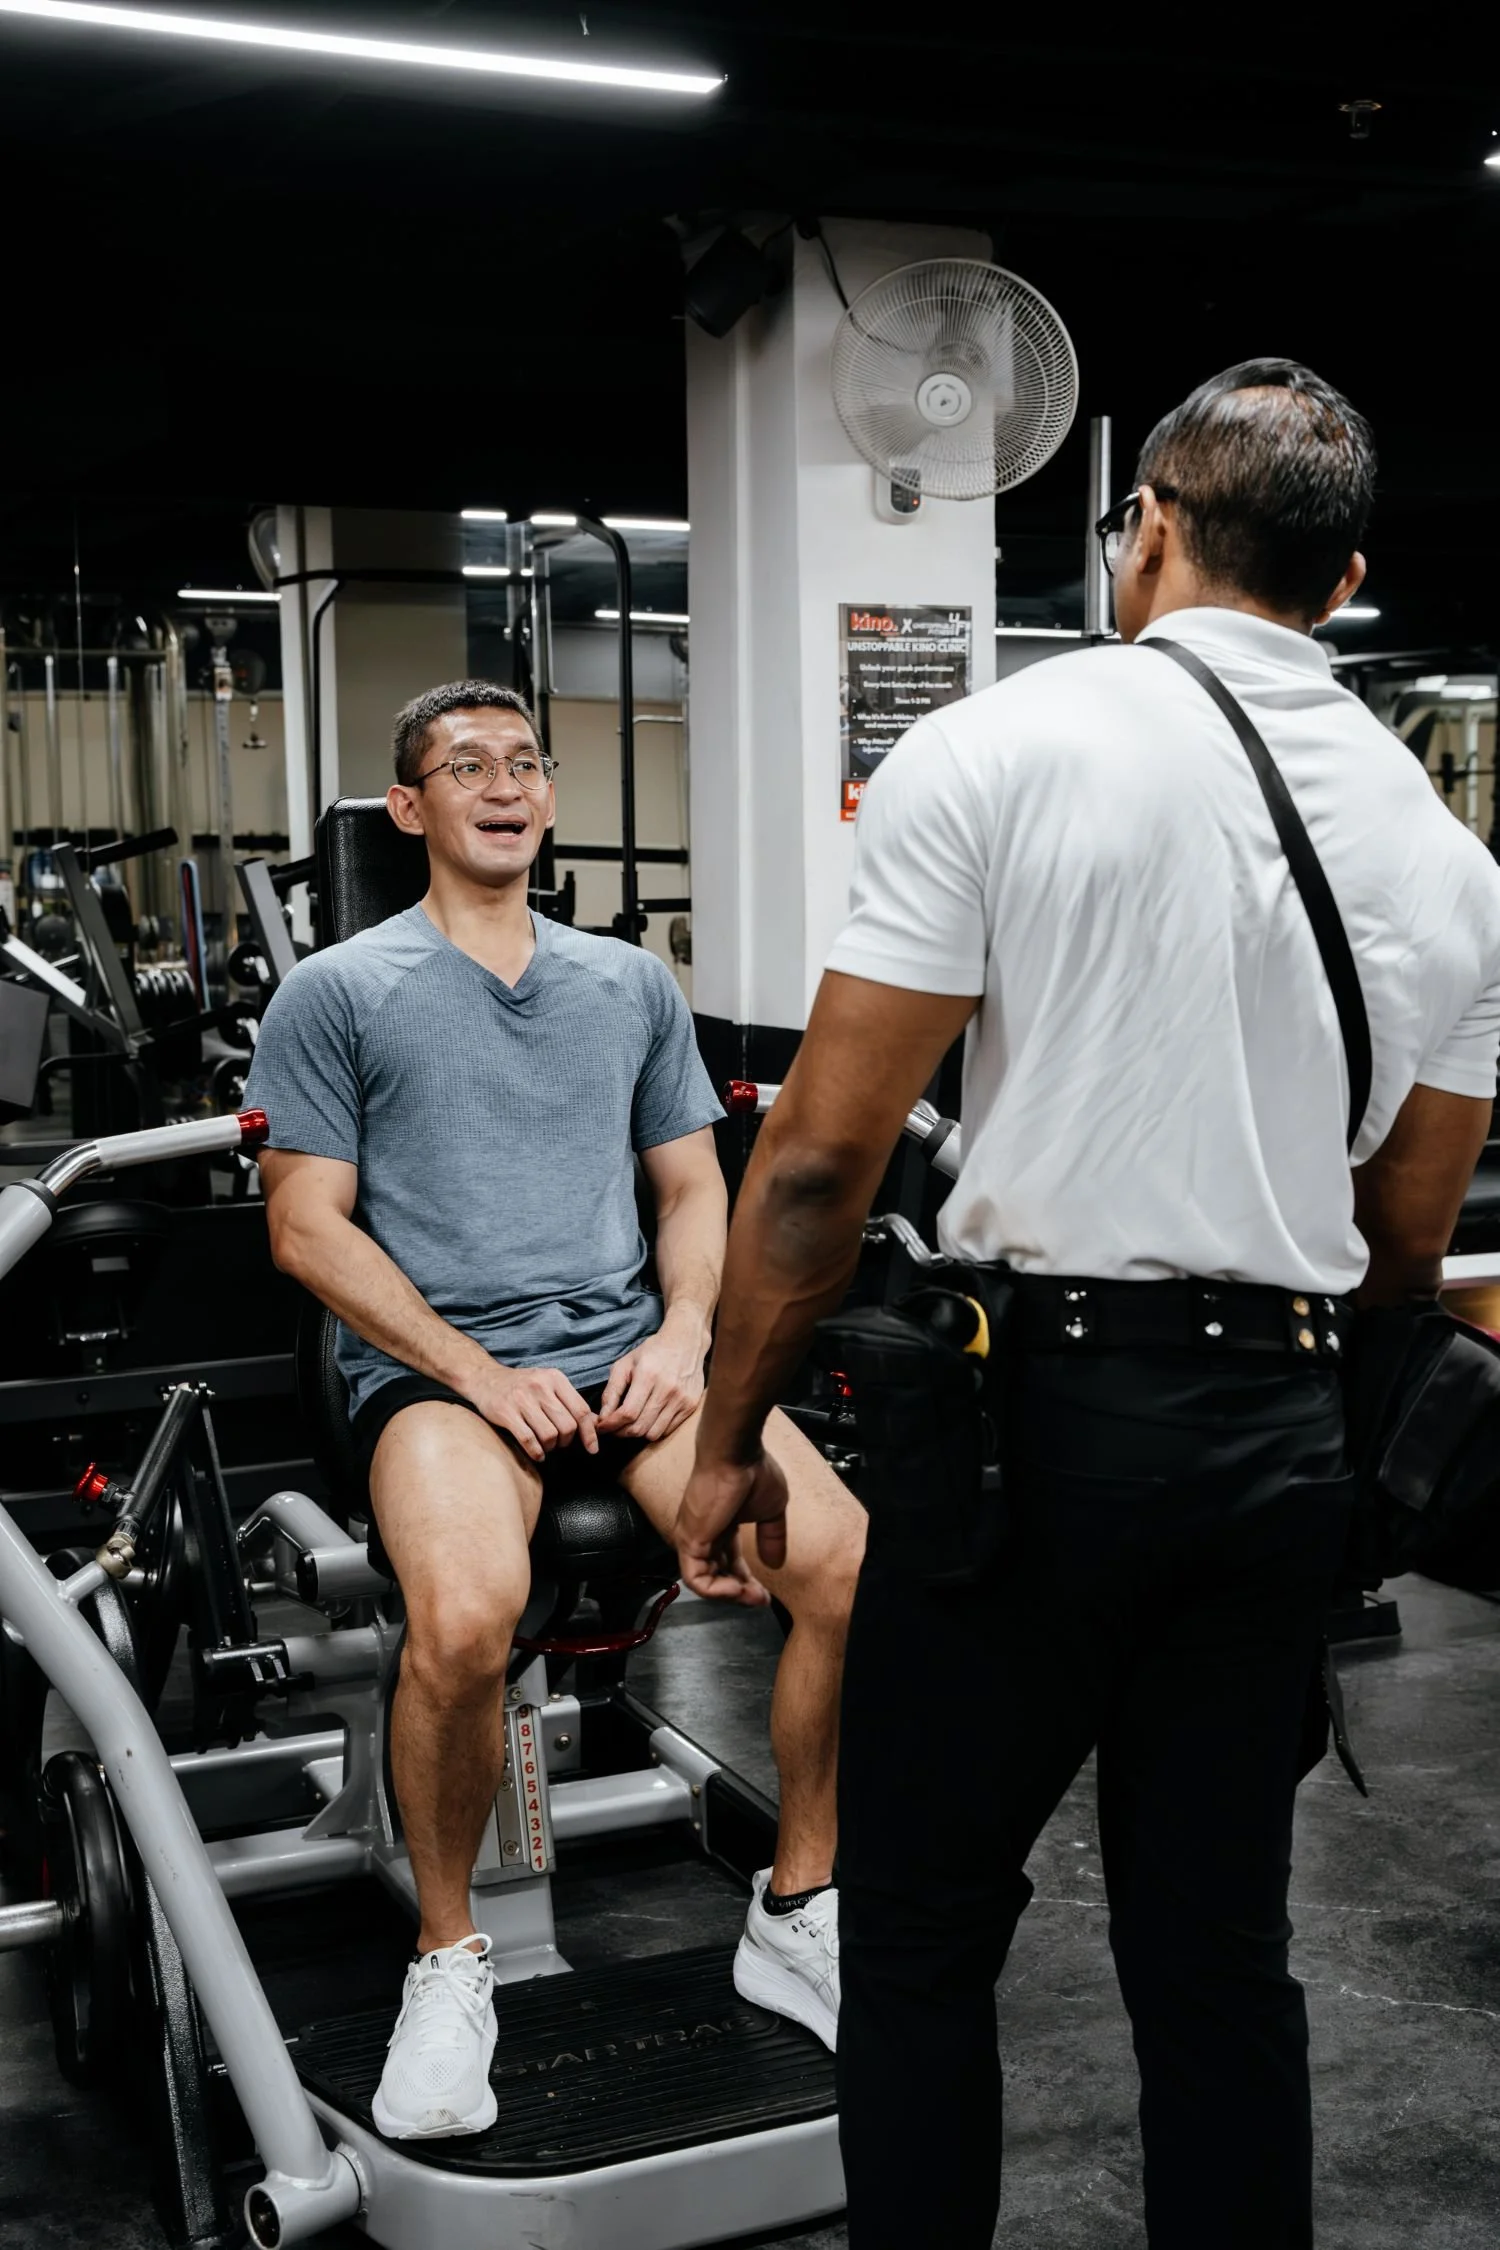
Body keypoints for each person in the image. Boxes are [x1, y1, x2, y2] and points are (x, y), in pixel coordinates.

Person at [678, 360, 1500, 2246]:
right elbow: (1404, 1240)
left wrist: (734, 1440)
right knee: (1219, 1962)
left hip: (1032, 1441)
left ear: (1143, 525)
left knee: (918, 1932)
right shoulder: (1454, 865)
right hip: (1283, 1449)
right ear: (1347, 573)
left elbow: (812, 1162)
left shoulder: (1005, 744)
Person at [244, 680, 863, 2142]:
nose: (505, 785)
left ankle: (797, 1905)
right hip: (441, 1378)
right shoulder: (337, 991)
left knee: (836, 1552)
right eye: (467, 765)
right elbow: (306, 1231)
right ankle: (449, 1963)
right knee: (464, 1615)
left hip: (630, 1356)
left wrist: (689, 1331)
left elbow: (692, 1187)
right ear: (412, 808)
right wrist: (473, 1366)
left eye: (526, 762)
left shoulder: (626, 984)